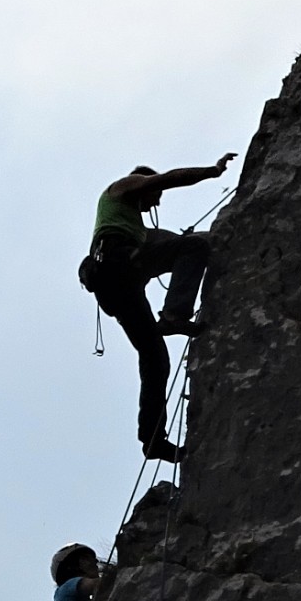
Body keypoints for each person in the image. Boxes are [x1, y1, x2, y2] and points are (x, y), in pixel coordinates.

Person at [84, 153, 237, 462]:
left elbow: (178, 244)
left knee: (155, 358)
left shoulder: (134, 228)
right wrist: (212, 171)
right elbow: (170, 178)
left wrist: (224, 235)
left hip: (116, 287)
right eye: (155, 197)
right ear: (144, 185)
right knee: (194, 248)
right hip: (118, 267)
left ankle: (153, 441)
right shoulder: (123, 187)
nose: (155, 204)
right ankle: (174, 316)